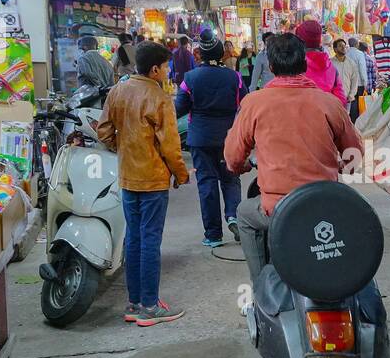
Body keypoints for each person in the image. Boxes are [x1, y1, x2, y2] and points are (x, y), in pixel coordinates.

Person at [225, 33, 365, 281]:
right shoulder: (330, 103)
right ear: (304, 65)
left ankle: (261, 288)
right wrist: (342, 165)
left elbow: (233, 158)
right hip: (326, 202)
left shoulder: (253, 103)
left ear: (270, 66)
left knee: (244, 215)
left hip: (277, 208)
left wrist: (242, 165)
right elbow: (354, 156)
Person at [95, 42, 189, 326]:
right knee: (150, 241)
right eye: (166, 66)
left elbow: (103, 131)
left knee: (134, 240)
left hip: (128, 177)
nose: (168, 71)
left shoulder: (118, 91)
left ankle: (134, 302)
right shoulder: (159, 98)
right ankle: (150, 305)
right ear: (155, 69)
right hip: (153, 179)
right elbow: (171, 147)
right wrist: (181, 174)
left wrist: (122, 147)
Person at [177, 33, 245, 248]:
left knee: (207, 182)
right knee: (230, 178)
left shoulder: (189, 78)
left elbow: (180, 107)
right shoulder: (235, 77)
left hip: (200, 138)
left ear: (201, 54)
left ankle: (214, 234)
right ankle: (233, 215)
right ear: (221, 54)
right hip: (228, 137)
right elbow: (245, 103)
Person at [293, 19, 348, 104]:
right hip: (325, 115)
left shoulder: (293, 66)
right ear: (319, 40)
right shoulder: (331, 68)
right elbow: (341, 101)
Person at [333, 38, 363, 119]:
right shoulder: (330, 63)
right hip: (334, 99)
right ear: (335, 49)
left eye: (344, 46)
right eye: (340, 46)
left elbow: (354, 81)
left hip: (347, 98)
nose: (343, 48)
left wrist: (351, 95)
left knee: (346, 119)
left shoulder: (351, 63)